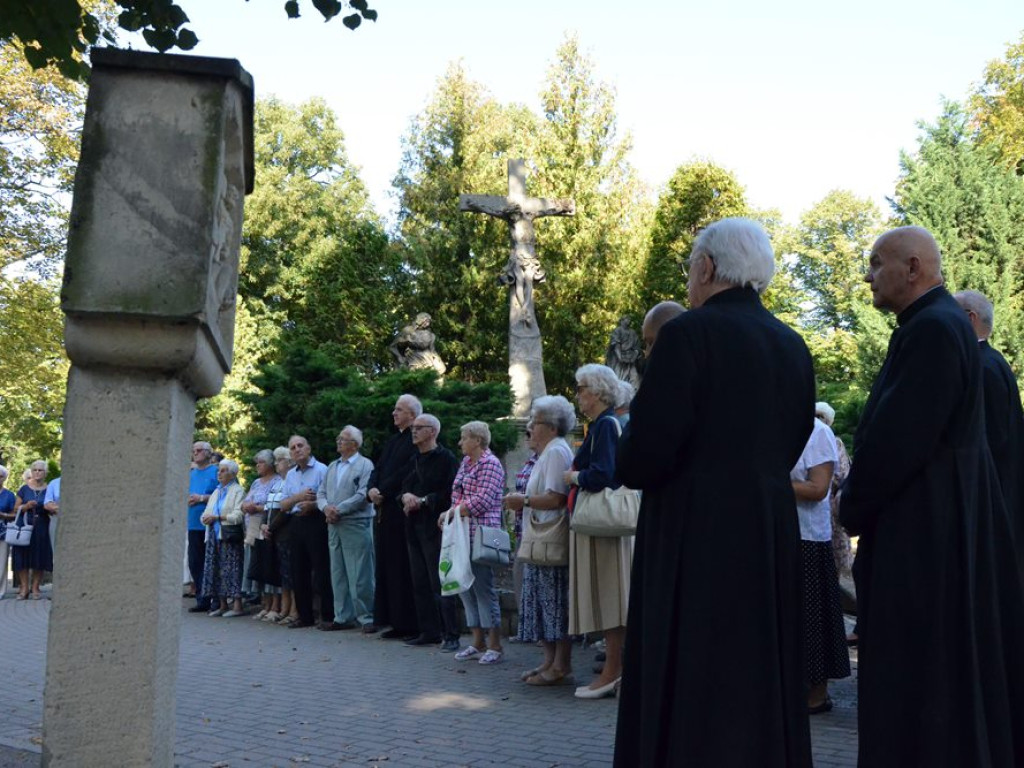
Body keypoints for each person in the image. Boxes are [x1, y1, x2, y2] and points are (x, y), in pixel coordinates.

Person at [615, 218, 815, 766]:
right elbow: (796, 434)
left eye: (690, 268)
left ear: (706, 267)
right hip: (767, 528)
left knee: (694, 671)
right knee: (759, 666)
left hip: (694, 531)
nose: (688, 280)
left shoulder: (688, 334)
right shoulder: (792, 344)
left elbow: (644, 453)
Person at [840, 226, 1024, 767]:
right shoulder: (936, 325)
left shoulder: (934, 330)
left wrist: (852, 506)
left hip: (923, 536)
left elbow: (899, 440)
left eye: (877, 263)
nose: (869, 276)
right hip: (935, 527)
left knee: (921, 680)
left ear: (914, 267)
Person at [563, 364, 633, 700]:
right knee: (612, 598)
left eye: (581, 388)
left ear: (598, 392)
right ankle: (616, 671)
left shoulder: (605, 425)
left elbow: (604, 473)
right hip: (604, 525)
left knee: (610, 598)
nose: (578, 395)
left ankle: (611, 672)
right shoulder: (607, 423)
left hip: (604, 526)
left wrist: (574, 477)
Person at [505, 395, 576, 686]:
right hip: (538, 538)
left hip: (550, 538)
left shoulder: (557, 451)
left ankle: (560, 665)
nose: (530, 427)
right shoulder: (546, 452)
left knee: (553, 603)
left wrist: (523, 500)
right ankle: (548, 661)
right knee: (541, 602)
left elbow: (556, 497)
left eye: (535, 422)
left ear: (552, 427)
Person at [955, 289, 1024, 574]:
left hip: (991, 496)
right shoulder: (991, 360)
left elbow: (993, 438)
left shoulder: (982, 367)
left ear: (970, 318)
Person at [791, 412, 850, 713]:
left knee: (814, 619)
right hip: (777, 535)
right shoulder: (768, 423)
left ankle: (816, 694)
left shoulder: (817, 431)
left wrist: (766, 482)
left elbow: (818, 488)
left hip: (809, 538)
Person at [443, 421, 505, 665]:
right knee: (465, 589)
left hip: (479, 535)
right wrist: (451, 515)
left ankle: (495, 645)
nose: (460, 442)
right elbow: (457, 495)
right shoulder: (466, 463)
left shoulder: (490, 464)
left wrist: (451, 513)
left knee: (483, 589)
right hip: (460, 535)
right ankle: (477, 642)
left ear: (477, 440)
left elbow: (483, 500)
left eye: (464, 438)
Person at [400, 413, 460, 650]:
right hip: (413, 527)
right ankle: (429, 631)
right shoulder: (413, 459)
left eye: (419, 427)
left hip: (436, 527)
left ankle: (451, 634)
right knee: (420, 581)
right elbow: (402, 488)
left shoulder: (446, 459)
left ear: (433, 431)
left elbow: (451, 492)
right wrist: (405, 496)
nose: (413, 431)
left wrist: (424, 501)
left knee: (440, 581)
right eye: (413, 428)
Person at [367, 394, 421, 639]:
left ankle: (408, 624)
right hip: (384, 511)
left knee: (402, 568)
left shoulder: (414, 441)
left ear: (412, 414)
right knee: (387, 567)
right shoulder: (392, 441)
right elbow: (378, 469)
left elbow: (405, 473)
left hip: (400, 511)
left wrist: (383, 491)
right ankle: (393, 621)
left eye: (399, 410)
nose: (394, 413)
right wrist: (371, 489)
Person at [317, 426, 376, 632]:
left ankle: (367, 617)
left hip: (356, 523)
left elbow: (363, 494)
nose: (339, 442)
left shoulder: (365, 465)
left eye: (343, 439)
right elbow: (321, 492)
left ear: (355, 444)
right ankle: (342, 616)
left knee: (360, 572)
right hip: (333, 524)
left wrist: (338, 509)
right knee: (338, 572)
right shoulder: (333, 466)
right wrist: (326, 508)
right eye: (339, 438)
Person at [279, 435, 331, 629]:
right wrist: (299, 497)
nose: (297, 449)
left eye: (300, 445)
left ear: (308, 448)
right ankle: (304, 616)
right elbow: (283, 505)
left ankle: (328, 615)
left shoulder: (322, 470)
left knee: (321, 568)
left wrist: (313, 504)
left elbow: (330, 498)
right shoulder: (290, 475)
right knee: (298, 570)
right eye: (293, 448)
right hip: (296, 523)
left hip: (316, 521)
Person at [200, 459, 246, 617]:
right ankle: (222, 604)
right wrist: (205, 518)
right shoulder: (216, 492)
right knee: (216, 569)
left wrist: (218, 517)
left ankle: (237, 606)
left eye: (223, 470)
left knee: (232, 569)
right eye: (219, 470)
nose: (219, 473)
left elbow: (238, 515)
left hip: (229, 535)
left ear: (232, 474)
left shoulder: (238, 491)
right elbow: (206, 512)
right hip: (214, 535)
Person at [815, 402, 853, 579]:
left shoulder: (832, 441)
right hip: (823, 506)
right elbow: (842, 475)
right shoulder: (833, 442)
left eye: (820, 417)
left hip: (822, 507)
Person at [242, 449, 280, 621]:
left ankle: (274, 605)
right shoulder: (256, 483)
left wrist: (255, 508)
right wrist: (245, 506)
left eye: (261, 462)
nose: (258, 465)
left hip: (266, 527)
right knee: (257, 566)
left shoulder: (277, 481)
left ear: (271, 464)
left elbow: (275, 505)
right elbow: (245, 501)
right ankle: (265, 604)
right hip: (252, 529)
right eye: (257, 462)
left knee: (267, 565)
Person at [262, 446, 294, 623]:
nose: (276, 464)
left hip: (286, 532)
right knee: (281, 573)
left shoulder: (291, 481)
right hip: (274, 533)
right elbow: (268, 507)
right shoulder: (277, 482)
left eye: (280, 460)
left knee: (290, 573)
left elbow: (285, 510)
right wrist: (263, 525)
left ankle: (293, 610)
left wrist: (271, 527)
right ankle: (283, 608)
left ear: (289, 462)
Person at [187, 442, 219, 613]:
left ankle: (215, 599)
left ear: (208, 453)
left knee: (211, 563)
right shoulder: (191, 474)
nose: (195, 453)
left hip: (211, 525)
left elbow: (224, 493)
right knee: (194, 563)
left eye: (199, 450)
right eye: (193, 451)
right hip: (192, 524)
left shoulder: (216, 471)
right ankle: (201, 598)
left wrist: (201, 498)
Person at [12, 461, 51, 601]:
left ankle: (35, 587)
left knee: (39, 556)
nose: (37, 472)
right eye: (35, 470)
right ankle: (24, 588)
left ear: (45, 473)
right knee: (22, 556)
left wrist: (50, 508)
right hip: (24, 525)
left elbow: (53, 504)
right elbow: (15, 508)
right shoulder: (24, 489)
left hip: (41, 525)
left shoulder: (49, 488)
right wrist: (26, 506)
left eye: (40, 470)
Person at [0, 466, 16, 598]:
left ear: (4, 478)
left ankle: (0, 590)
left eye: (0, 476)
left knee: (2, 561)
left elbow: (15, 514)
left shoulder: (9, 495)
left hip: (3, 532)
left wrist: (4, 515)